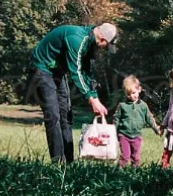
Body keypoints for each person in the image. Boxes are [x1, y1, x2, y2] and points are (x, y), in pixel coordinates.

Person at [29, 23, 118, 163]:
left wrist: (95, 97)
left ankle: (69, 163)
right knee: (53, 116)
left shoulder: (89, 43)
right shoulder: (77, 39)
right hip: (43, 68)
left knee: (66, 115)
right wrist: (91, 99)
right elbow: (76, 72)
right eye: (106, 45)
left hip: (57, 71)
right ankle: (58, 163)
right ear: (101, 38)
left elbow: (87, 71)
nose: (105, 49)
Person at [112, 76, 161, 168]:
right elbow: (116, 119)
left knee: (136, 157)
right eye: (128, 94)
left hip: (137, 136)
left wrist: (156, 129)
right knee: (125, 156)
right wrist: (114, 132)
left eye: (133, 93)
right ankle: (118, 172)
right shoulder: (122, 106)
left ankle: (135, 173)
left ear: (139, 89)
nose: (131, 96)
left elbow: (149, 118)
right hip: (124, 135)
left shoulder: (143, 106)